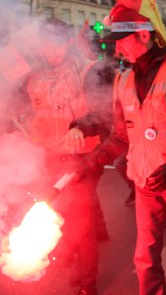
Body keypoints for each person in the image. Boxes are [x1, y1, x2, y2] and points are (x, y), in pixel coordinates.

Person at [80, 3, 166, 295]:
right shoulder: (124, 79)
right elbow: (121, 135)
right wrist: (91, 161)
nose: (117, 50)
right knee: (144, 258)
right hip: (144, 184)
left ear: (144, 35)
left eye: (121, 41)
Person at [11, 18, 114, 295]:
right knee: (60, 213)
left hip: (83, 158)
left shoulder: (91, 72)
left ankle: (85, 284)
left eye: (56, 44)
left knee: (81, 223)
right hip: (46, 156)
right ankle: (73, 252)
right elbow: (16, 106)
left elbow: (105, 114)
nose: (50, 50)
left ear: (69, 42)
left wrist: (81, 126)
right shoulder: (32, 77)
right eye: (45, 44)